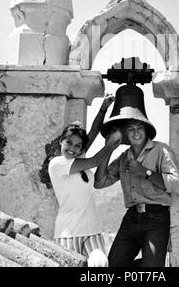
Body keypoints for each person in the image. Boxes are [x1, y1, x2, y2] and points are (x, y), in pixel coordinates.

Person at [95, 112, 179, 267]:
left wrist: (144, 171)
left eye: (139, 127)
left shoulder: (161, 150)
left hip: (156, 218)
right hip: (131, 218)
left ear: (146, 130)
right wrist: (108, 148)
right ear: (126, 135)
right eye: (130, 129)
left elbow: (175, 185)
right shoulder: (123, 157)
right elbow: (100, 182)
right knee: (113, 265)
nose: (135, 132)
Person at [48, 94, 121, 267]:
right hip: (68, 233)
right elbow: (96, 161)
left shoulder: (77, 159)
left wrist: (104, 107)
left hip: (92, 231)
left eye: (77, 145)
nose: (72, 149)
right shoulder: (57, 164)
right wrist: (110, 145)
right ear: (61, 141)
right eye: (69, 143)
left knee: (101, 264)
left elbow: (93, 132)